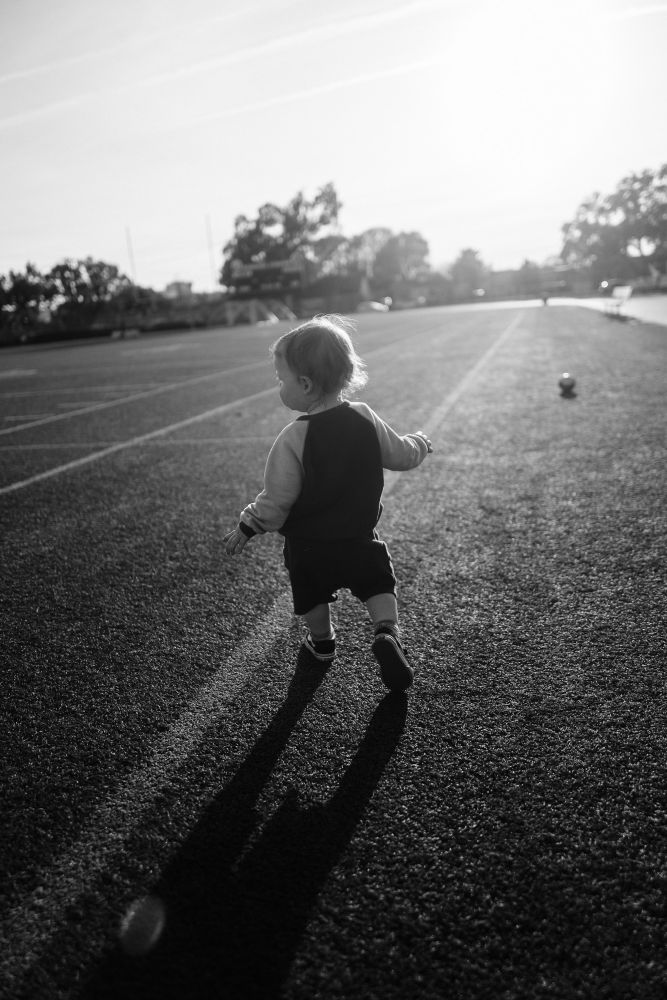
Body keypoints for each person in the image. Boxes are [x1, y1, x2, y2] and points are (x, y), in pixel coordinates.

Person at [223, 314, 432, 692]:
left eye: (280, 378)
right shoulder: (364, 416)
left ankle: (323, 643)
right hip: (358, 535)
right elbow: (401, 454)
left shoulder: (293, 437)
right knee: (376, 582)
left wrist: (249, 524)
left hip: (308, 545)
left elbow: (277, 499)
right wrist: (419, 442)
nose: (279, 385)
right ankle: (387, 631)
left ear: (304, 384)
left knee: (311, 594)